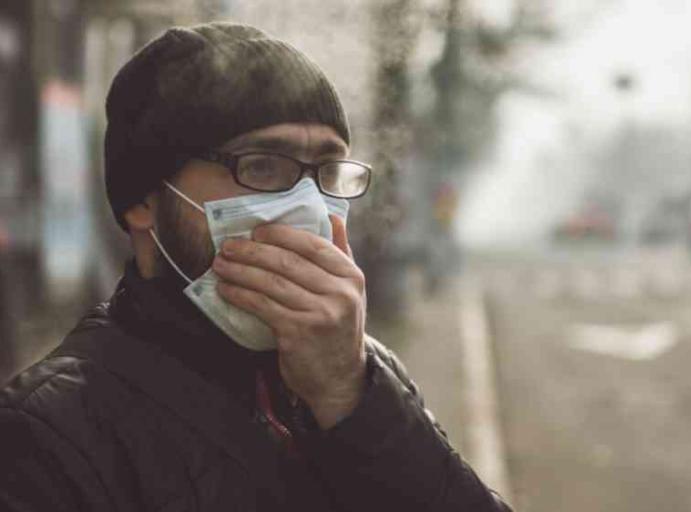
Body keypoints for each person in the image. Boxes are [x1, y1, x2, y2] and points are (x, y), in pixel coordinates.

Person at [0, 22, 512, 511]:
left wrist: (349, 397)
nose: (308, 207)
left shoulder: (359, 371)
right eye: (263, 166)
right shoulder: (46, 432)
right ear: (144, 198)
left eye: (327, 171)